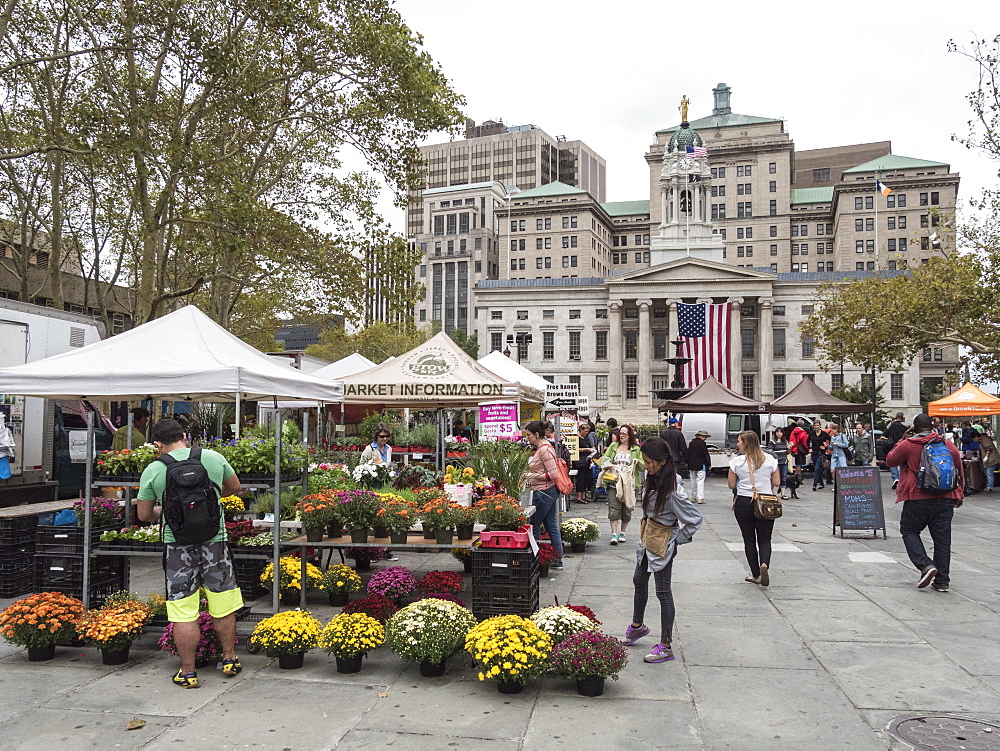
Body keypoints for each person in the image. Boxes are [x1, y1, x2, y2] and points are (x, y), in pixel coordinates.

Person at [136, 418, 243, 688]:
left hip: (177, 547)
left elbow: (144, 514)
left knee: (183, 611)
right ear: (185, 435)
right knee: (223, 603)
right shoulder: (214, 458)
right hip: (215, 541)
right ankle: (229, 658)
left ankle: (188, 672)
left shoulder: (154, 469)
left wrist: (166, 511)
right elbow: (235, 488)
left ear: (158, 443)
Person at [623, 436, 702, 664]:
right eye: (645, 462)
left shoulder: (673, 490)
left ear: (663, 461)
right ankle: (637, 626)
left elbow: (694, 519)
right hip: (648, 537)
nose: (646, 466)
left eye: (649, 462)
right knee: (639, 579)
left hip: (662, 541)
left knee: (663, 592)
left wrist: (677, 540)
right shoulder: (653, 477)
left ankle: (666, 645)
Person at [887, 413, 964, 592]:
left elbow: (891, 460)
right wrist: (958, 493)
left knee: (909, 530)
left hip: (918, 497)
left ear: (914, 427)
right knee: (942, 540)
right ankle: (942, 581)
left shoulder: (909, 445)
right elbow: (959, 468)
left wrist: (903, 438)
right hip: (945, 497)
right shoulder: (947, 444)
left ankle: (926, 565)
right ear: (932, 426)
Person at [728, 431, 781, 586]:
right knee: (765, 539)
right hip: (765, 502)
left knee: (749, 539)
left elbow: (731, 485)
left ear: (746, 443)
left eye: (739, 441)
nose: (737, 444)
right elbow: (777, 482)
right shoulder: (770, 459)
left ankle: (756, 574)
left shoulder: (737, 462)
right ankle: (764, 563)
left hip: (744, 501)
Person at [523, 420, 564, 570]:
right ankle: (556, 559)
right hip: (547, 491)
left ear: (537, 434)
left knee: (534, 525)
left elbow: (553, 474)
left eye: (529, 435)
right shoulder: (543, 449)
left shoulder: (545, 450)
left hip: (544, 492)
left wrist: (531, 476)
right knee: (550, 524)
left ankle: (536, 561)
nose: (527, 437)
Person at [599, 423, 642, 543]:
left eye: (624, 433)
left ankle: (622, 533)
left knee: (627, 508)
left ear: (630, 436)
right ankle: (613, 534)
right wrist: (608, 465)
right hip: (614, 481)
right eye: (620, 433)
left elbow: (643, 467)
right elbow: (605, 460)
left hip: (629, 483)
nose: (621, 435)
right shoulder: (613, 446)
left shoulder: (635, 449)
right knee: (614, 508)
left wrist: (637, 462)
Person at [573, 423, 597, 504]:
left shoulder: (586, 438)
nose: (587, 433)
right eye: (585, 431)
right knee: (580, 478)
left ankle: (583, 495)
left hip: (587, 459)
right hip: (579, 460)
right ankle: (579, 496)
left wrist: (592, 449)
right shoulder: (576, 438)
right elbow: (574, 449)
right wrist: (586, 449)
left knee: (585, 478)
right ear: (581, 430)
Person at [884, 413, 909, 489]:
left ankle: (896, 478)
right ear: (902, 417)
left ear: (896, 417)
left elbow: (885, 434)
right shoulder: (907, 426)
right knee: (903, 463)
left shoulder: (892, 425)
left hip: (893, 446)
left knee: (893, 462)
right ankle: (903, 479)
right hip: (904, 446)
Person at [687, 429, 713, 504]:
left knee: (693, 481)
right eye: (705, 437)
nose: (705, 438)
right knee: (700, 481)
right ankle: (700, 498)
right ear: (702, 436)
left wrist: (686, 462)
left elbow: (688, 453)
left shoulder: (691, 443)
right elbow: (705, 455)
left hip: (691, 465)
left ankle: (693, 497)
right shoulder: (702, 444)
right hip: (701, 465)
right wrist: (709, 464)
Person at [766, 427, 789, 500]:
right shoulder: (772, 441)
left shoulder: (785, 441)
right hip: (776, 462)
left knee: (784, 477)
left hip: (784, 461)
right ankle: (771, 491)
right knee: (775, 477)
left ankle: (783, 493)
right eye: (778, 432)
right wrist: (775, 456)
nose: (779, 434)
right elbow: (770, 451)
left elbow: (787, 451)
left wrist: (789, 448)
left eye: (781, 432)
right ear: (775, 433)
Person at [809, 423, 830, 491]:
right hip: (814, 453)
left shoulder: (824, 434)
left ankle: (814, 485)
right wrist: (809, 448)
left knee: (817, 468)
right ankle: (821, 483)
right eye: (815, 425)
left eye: (817, 425)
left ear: (820, 426)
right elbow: (807, 441)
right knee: (817, 469)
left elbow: (831, 440)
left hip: (821, 453)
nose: (816, 427)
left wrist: (825, 447)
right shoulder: (812, 433)